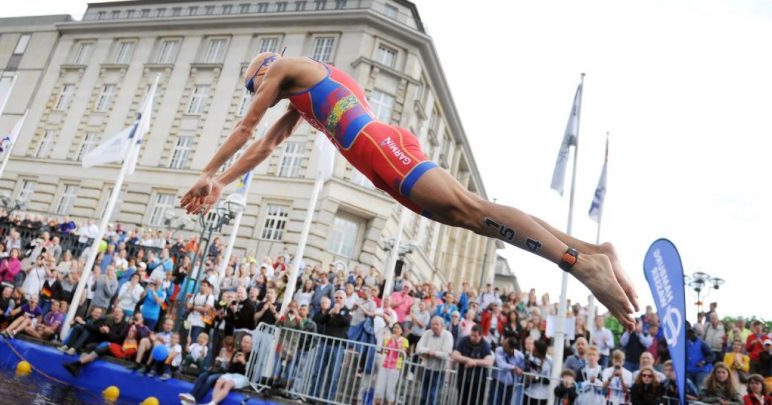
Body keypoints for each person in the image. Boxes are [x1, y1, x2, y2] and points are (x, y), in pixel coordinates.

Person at [179, 52, 640, 329]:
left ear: (263, 69)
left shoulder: (284, 69)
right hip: (380, 154)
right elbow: (266, 145)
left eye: (254, 85)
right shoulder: (301, 94)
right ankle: (592, 250)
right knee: (473, 217)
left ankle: (581, 266)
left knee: (474, 210)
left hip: (379, 147)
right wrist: (221, 182)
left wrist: (207, 171)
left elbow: (246, 126)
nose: (258, 92)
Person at [179, 334, 252, 405]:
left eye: (247, 342)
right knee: (203, 375)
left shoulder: (250, 355)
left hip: (226, 373)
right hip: (220, 370)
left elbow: (249, 372)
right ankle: (191, 395)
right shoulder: (235, 352)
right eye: (244, 342)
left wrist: (243, 362)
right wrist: (230, 362)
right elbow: (230, 369)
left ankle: (197, 399)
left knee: (210, 379)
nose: (227, 347)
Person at [416, 316, 454, 405]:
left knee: (433, 396)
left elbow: (446, 354)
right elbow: (418, 349)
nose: (434, 326)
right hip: (426, 368)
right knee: (423, 395)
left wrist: (434, 353)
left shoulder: (447, 335)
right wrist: (429, 351)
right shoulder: (427, 333)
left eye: (437, 324)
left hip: (439, 370)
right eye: (433, 324)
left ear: (442, 326)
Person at [374, 322, 408, 405]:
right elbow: (384, 350)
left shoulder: (404, 341)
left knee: (390, 392)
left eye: (397, 328)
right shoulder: (388, 339)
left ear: (401, 331)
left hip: (395, 367)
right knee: (379, 390)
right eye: (394, 328)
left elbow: (402, 353)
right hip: (385, 365)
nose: (395, 329)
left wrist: (396, 341)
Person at [490, 335, 525, 405]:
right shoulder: (499, 350)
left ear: (512, 348)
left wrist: (516, 383)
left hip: (510, 386)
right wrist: (514, 368)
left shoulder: (520, 356)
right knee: (494, 402)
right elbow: (501, 364)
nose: (503, 347)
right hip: (498, 383)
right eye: (503, 344)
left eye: (505, 346)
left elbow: (520, 371)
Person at [687, 324, 715, 388]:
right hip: (689, 371)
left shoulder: (702, 344)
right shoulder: (685, 344)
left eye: (692, 333)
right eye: (688, 333)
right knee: (690, 389)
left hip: (701, 371)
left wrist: (703, 362)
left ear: (696, 334)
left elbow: (712, 355)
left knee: (700, 388)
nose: (690, 335)